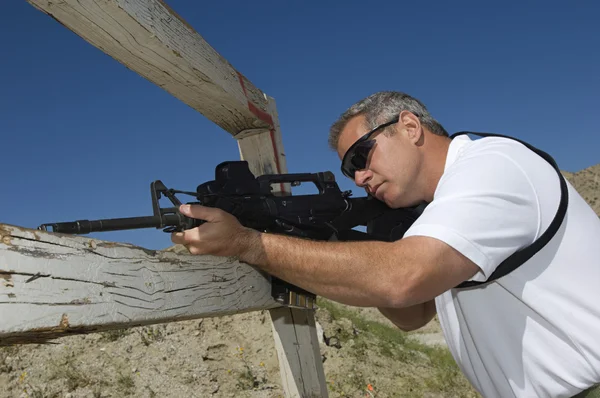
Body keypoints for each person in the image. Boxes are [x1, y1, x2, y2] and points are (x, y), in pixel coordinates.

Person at [171, 91, 600, 398]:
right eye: (348, 171)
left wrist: (251, 245)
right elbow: (412, 316)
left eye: (361, 157)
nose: (358, 177)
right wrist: (336, 240)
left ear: (409, 126)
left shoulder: (493, 166)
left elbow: (402, 278)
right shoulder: (435, 213)